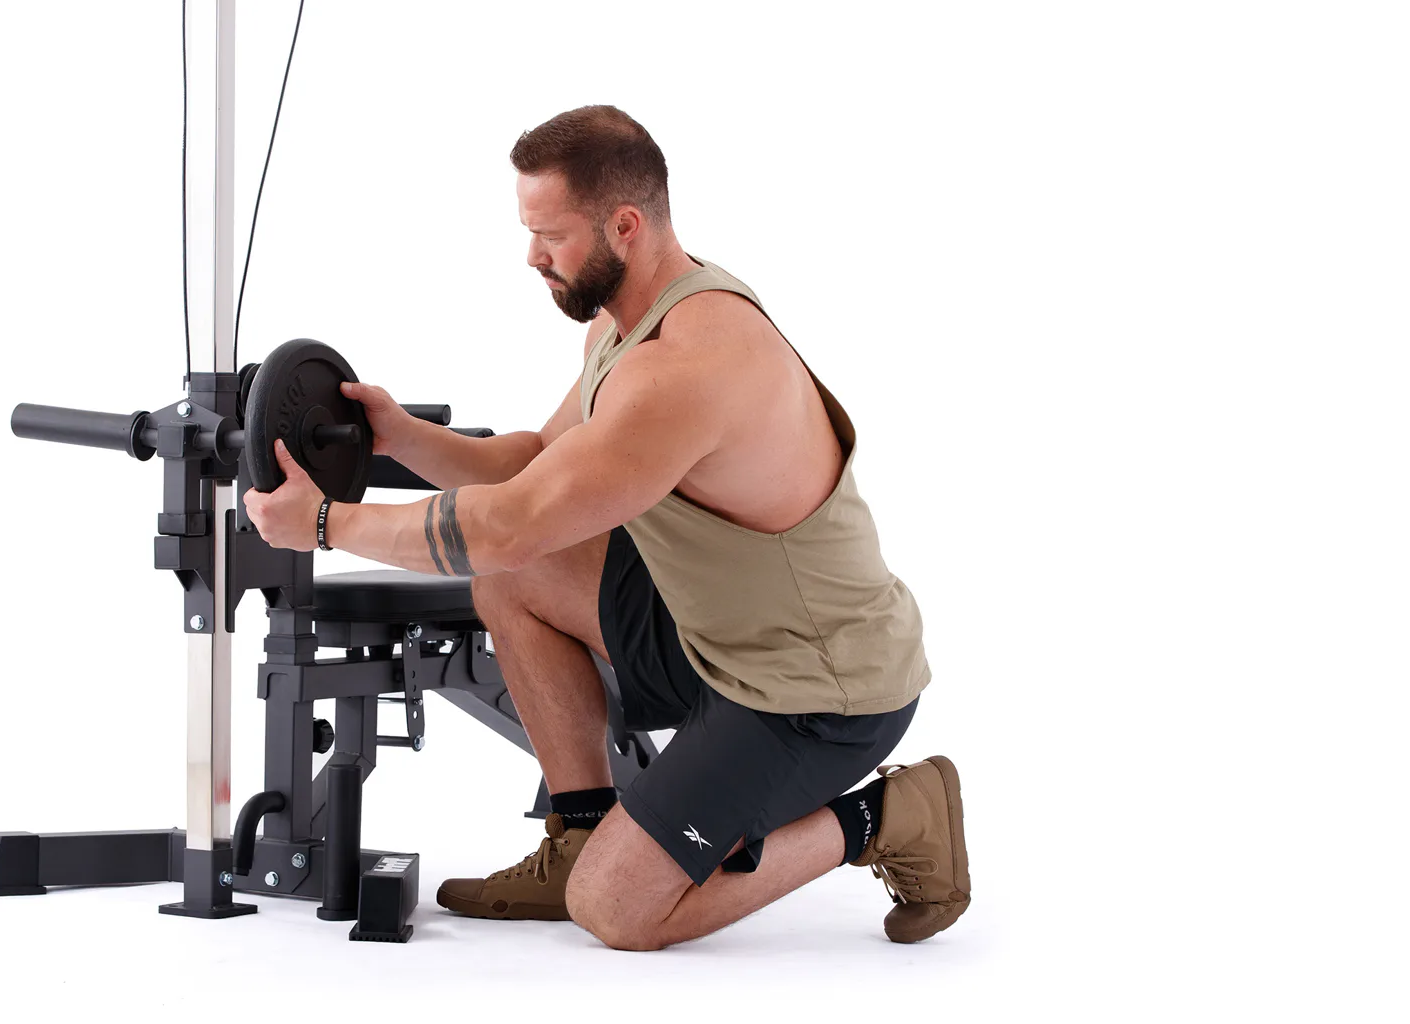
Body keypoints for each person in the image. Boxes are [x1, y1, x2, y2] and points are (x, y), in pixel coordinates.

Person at [244, 105, 967, 951]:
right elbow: (537, 462)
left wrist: (324, 524)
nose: (532, 256)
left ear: (624, 226)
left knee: (619, 910)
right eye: (528, 232)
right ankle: (581, 831)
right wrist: (401, 438)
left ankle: (888, 815)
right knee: (515, 577)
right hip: (714, 637)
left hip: (817, 691)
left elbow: (510, 523)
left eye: (550, 235)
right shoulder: (626, 320)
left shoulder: (688, 364)